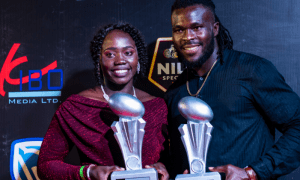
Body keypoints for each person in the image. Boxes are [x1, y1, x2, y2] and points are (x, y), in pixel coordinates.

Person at [164, 0, 300, 179]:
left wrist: (252, 172)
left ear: (215, 29)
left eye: (197, 27)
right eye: (179, 30)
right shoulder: (175, 91)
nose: (188, 37)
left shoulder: (252, 70)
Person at [37, 23, 169, 180]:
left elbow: (173, 158)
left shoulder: (157, 106)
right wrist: (88, 172)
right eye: (110, 54)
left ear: (138, 57)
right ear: (99, 60)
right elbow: (46, 165)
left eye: (128, 52)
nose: (120, 60)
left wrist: (163, 166)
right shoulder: (76, 107)